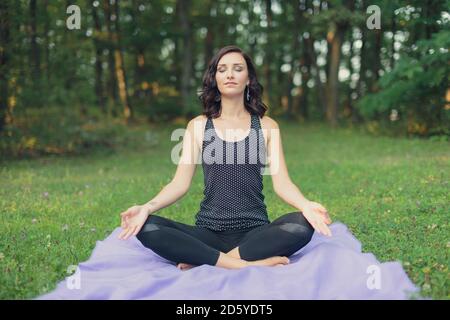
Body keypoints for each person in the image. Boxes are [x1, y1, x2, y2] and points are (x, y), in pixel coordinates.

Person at [118, 45, 332, 271]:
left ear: (248, 78)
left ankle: (209, 260)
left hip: (254, 233)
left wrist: (306, 205)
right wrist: (147, 207)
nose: (230, 74)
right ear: (215, 78)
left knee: (301, 226)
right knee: (147, 227)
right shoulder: (198, 126)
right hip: (207, 233)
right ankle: (246, 264)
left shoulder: (267, 126)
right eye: (222, 69)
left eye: (237, 69)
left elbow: (283, 184)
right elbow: (179, 184)